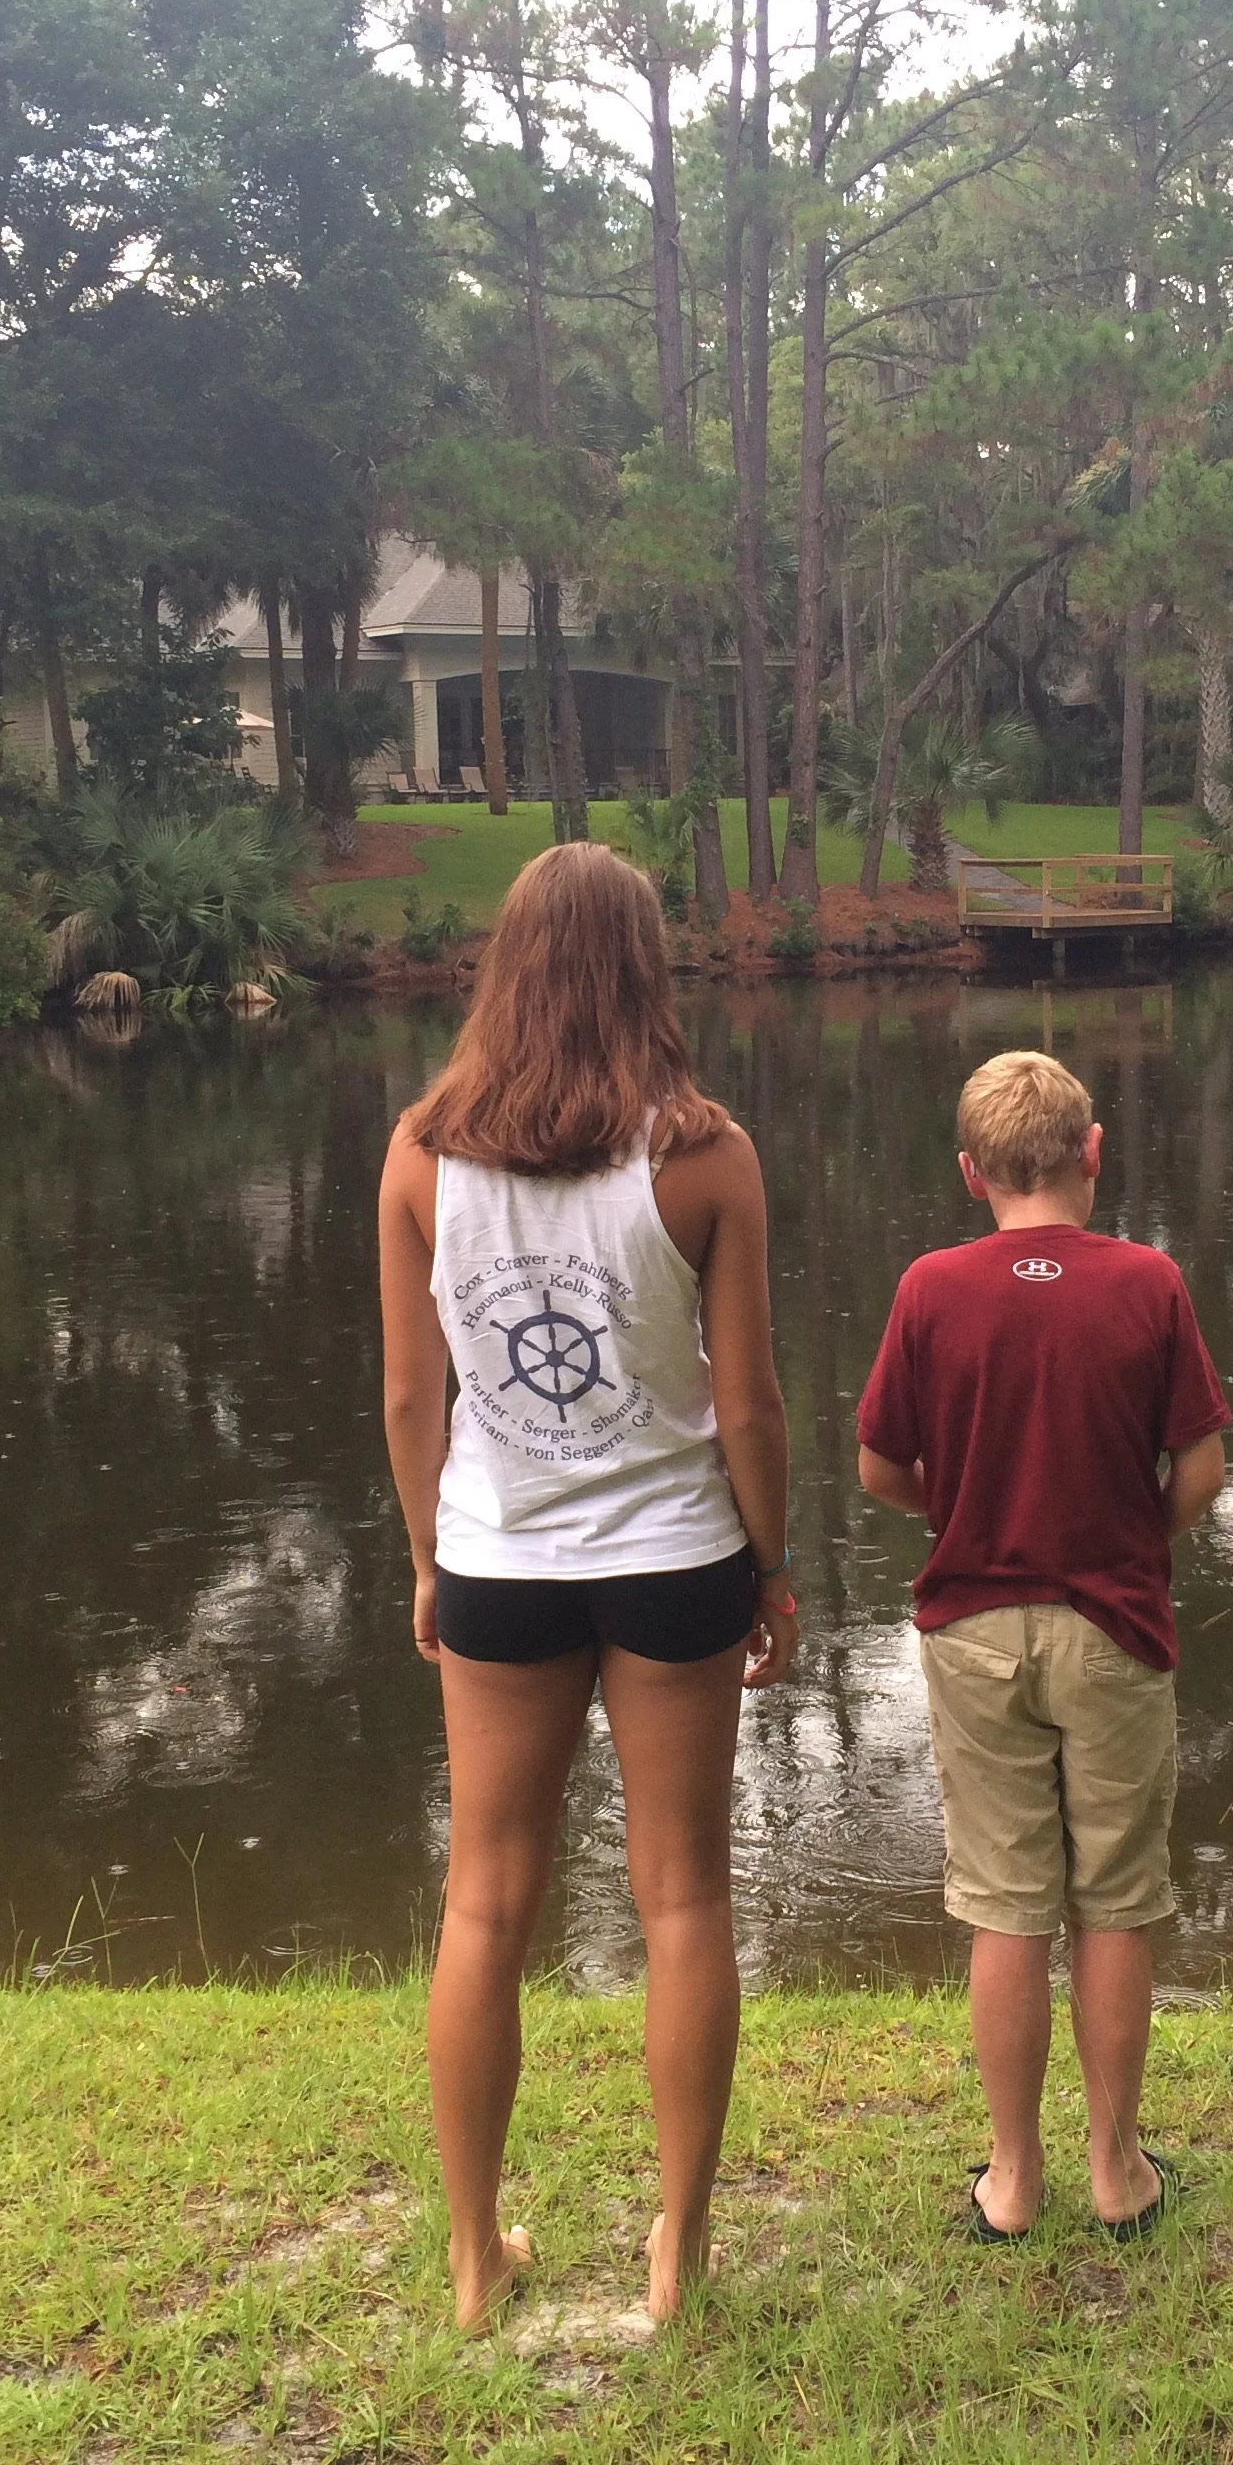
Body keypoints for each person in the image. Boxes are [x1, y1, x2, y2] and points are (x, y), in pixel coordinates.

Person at [379, 842, 797, 2331]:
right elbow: (747, 1405)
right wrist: (776, 1564)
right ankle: (677, 2253)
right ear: (645, 969)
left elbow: (412, 1402)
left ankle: (476, 2255)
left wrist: (430, 1558)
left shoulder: (423, 1150)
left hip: (499, 1560)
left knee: (484, 1904)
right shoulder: (705, 1154)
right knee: (683, 1896)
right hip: (679, 1557)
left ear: (507, 967)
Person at [856, 1051, 1229, 2242]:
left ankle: (1013, 2181)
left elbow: (878, 1468)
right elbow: (1204, 1472)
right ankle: (1116, 2168)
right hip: (1114, 1625)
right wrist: (1129, 1531)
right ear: (1095, 1150)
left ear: (972, 1174)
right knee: (1115, 1900)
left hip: (971, 1629)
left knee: (1007, 1905)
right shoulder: (1150, 1285)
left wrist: (964, 1507)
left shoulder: (929, 1289)